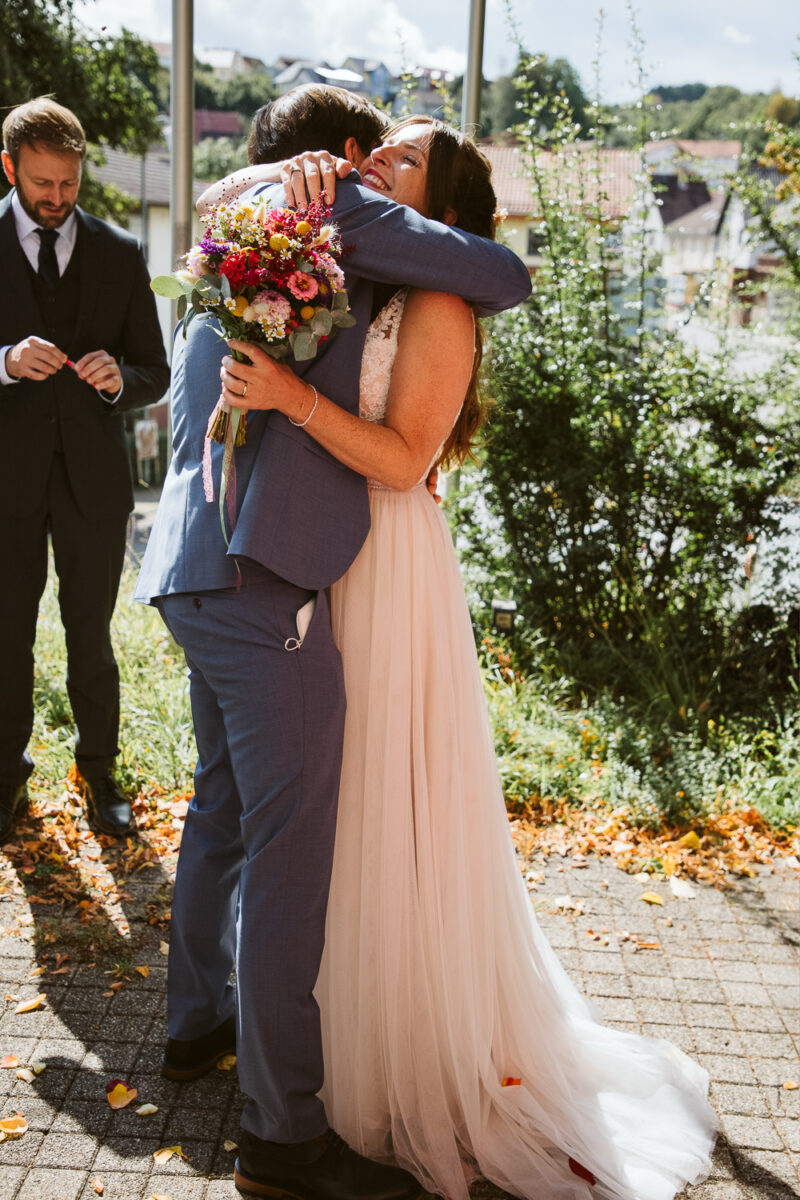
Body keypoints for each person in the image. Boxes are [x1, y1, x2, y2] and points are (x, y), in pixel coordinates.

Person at [221, 117, 719, 1200]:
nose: (370, 162)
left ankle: (398, 1058)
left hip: (390, 566)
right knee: (330, 812)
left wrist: (292, 399)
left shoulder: (441, 299)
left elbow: (402, 464)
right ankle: (309, 1058)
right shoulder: (362, 283)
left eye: (396, 159)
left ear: (437, 204)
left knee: (390, 805)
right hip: (326, 562)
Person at [134, 85, 532, 1200]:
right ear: (342, 155)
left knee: (221, 806)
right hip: (262, 581)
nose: (374, 166)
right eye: (373, 151)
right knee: (294, 854)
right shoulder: (331, 214)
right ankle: (281, 1135)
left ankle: (192, 1026)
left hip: (187, 569)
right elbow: (506, 274)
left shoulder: (243, 220)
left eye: (399, 159)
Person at [0, 97, 170, 840]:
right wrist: (3, 363)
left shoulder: (119, 252)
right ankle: (6, 776)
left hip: (94, 482)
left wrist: (118, 379)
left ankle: (100, 774)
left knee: (90, 634)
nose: (57, 198)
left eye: (68, 183)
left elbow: (154, 371)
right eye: (42, 183)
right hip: (6, 478)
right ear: (9, 167)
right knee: (5, 634)